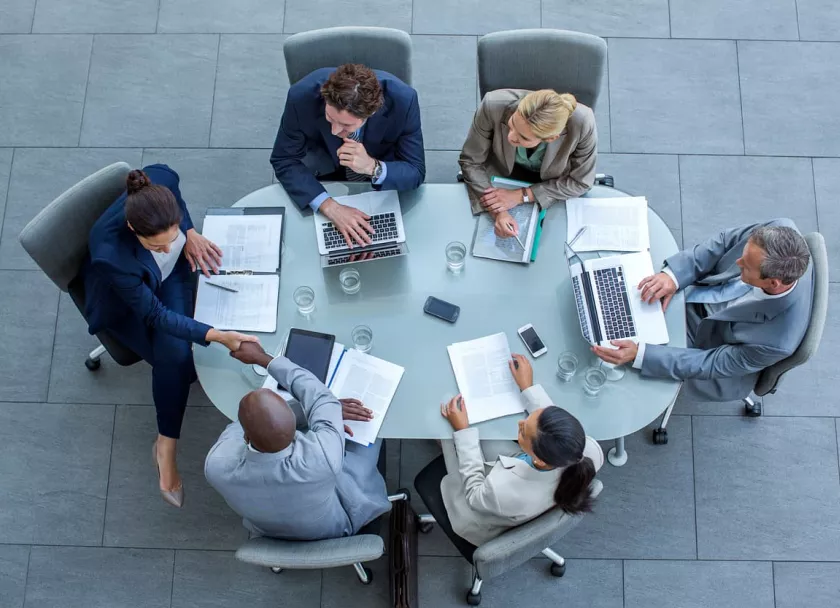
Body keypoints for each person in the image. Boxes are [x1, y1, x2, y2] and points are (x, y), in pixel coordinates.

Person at [81, 165, 258, 508]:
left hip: (172, 276)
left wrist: (188, 233)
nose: (166, 248)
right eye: (156, 246)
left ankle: (165, 439)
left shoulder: (160, 181)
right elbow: (154, 315)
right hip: (130, 303)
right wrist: (218, 336)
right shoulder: (110, 256)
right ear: (134, 229)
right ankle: (166, 445)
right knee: (177, 359)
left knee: (183, 358)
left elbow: (173, 189)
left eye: (171, 236)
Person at [593, 219, 813, 402]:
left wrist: (641, 355)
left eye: (745, 266)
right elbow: (726, 242)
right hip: (700, 292)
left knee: (614, 361)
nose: (737, 263)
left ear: (773, 283)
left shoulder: (776, 342)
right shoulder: (778, 229)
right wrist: (674, 276)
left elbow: (710, 363)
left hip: (708, 343)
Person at [204, 342, 391, 540]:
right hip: (334, 527)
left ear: (246, 437)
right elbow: (320, 397)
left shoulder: (216, 465)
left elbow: (240, 425)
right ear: (294, 426)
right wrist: (263, 358)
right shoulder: (322, 457)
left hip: (269, 531)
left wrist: (319, 413)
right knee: (375, 427)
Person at [428, 354, 603, 547]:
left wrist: (463, 431)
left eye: (523, 431)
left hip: (480, 506)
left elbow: (474, 494)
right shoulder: (586, 450)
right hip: (519, 476)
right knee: (485, 430)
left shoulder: (500, 490)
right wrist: (528, 388)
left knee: (444, 426)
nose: (521, 422)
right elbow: (551, 426)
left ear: (540, 459)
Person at [270, 63, 426, 248]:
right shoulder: (300, 97)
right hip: (324, 173)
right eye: (330, 118)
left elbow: (416, 171)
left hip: (380, 180)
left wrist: (372, 167)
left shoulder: (404, 101)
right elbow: (284, 159)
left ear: (372, 113)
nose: (335, 131)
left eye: (346, 126)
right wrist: (330, 207)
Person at [459, 89, 597, 238]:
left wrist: (522, 195)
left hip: (552, 184)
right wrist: (498, 211)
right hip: (500, 175)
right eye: (511, 125)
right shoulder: (492, 105)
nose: (510, 137)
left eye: (523, 138)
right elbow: (471, 161)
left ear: (551, 138)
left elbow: (581, 182)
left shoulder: (583, 123)